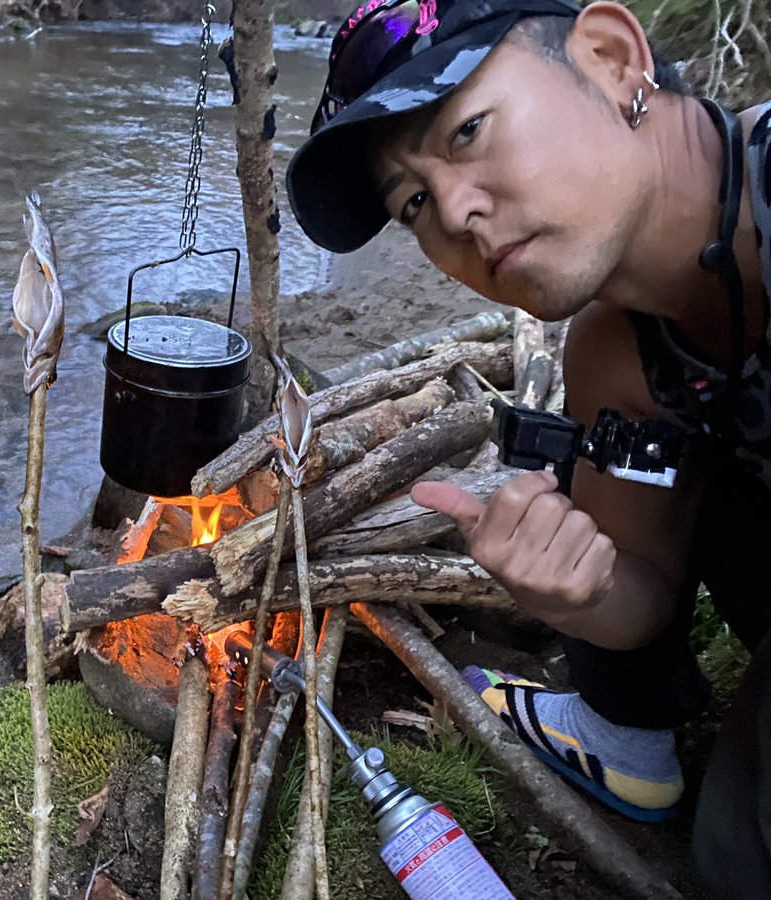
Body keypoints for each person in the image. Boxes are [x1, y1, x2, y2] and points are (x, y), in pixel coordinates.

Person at [285, 0, 771, 894]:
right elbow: (643, 595)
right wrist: (575, 592)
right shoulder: (614, 356)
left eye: (469, 130)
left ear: (613, 58)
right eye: (414, 202)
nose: (458, 211)